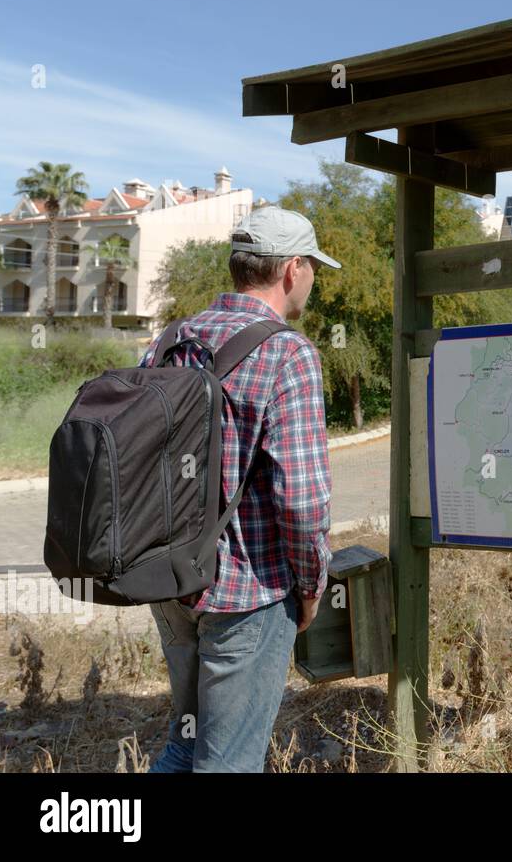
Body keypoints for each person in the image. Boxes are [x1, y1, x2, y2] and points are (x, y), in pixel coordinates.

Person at [138, 205, 339, 772]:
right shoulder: (287, 352)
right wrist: (310, 586)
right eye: (314, 268)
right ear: (292, 268)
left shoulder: (170, 340)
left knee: (186, 743)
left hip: (171, 583)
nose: (312, 281)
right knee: (228, 763)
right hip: (246, 598)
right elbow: (301, 501)